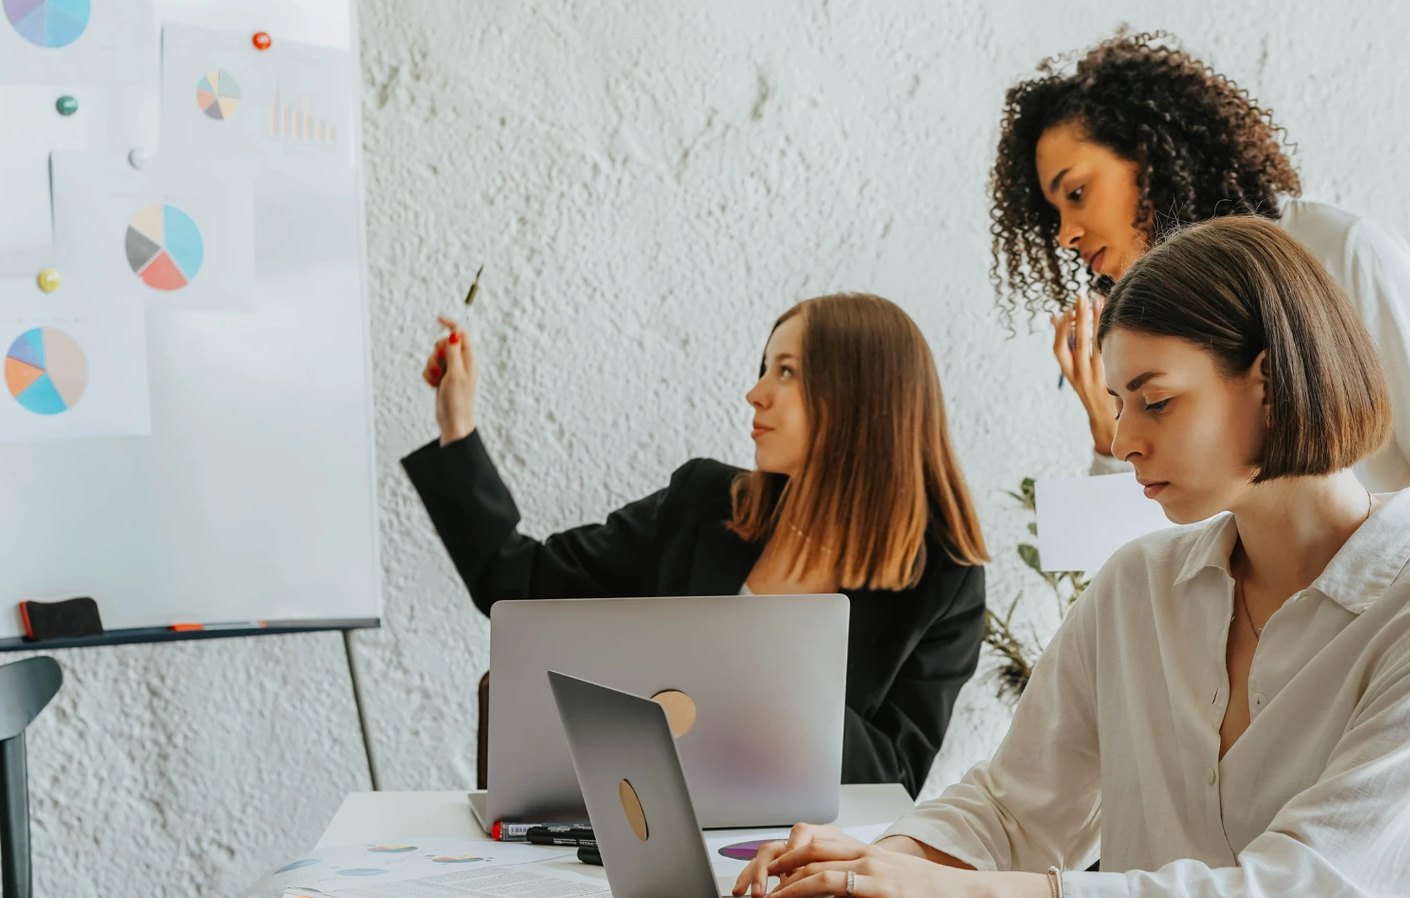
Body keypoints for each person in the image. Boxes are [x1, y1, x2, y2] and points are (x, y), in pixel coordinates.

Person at [737, 217, 1410, 898]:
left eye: (1156, 401)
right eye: (1118, 405)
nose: (1123, 441)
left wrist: (959, 889)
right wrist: (871, 863)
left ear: (1270, 381)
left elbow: (1308, 886)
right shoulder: (1137, 587)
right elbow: (1015, 810)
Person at [402, 293, 989, 797]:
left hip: (795, 858)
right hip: (644, 824)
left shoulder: (944, 582)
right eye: (764, 367)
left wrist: (772, 667)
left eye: (786, 372)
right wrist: (457, 426)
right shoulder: (703, 503)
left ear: (862, 398)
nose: (755, 393)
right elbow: (515, 582)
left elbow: (893, 783)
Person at [990, 32, 1410, 563]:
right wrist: (1110, 427)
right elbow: (1142, 563)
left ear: (1148, 156)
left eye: (1077, 193)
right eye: (1054, 214)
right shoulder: (1149, 333)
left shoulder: (1340, 250)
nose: (1065, 235)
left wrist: (1339, 573)